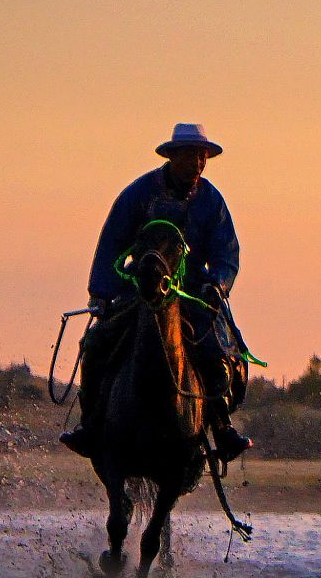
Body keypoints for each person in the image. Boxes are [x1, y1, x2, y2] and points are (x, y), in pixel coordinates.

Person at [60, 123, 252, 462]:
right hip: (139, 290)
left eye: (202, 156)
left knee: (220, 353)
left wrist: (218, 285)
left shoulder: (212, 202)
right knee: (95, 345)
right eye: (191, 155)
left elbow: (226, 252)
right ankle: (90, 425)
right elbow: (111, 244)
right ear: (173, 156)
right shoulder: (139, 194)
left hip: (194, 293)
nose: (197, 163)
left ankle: (221, 425)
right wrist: (102, 292)